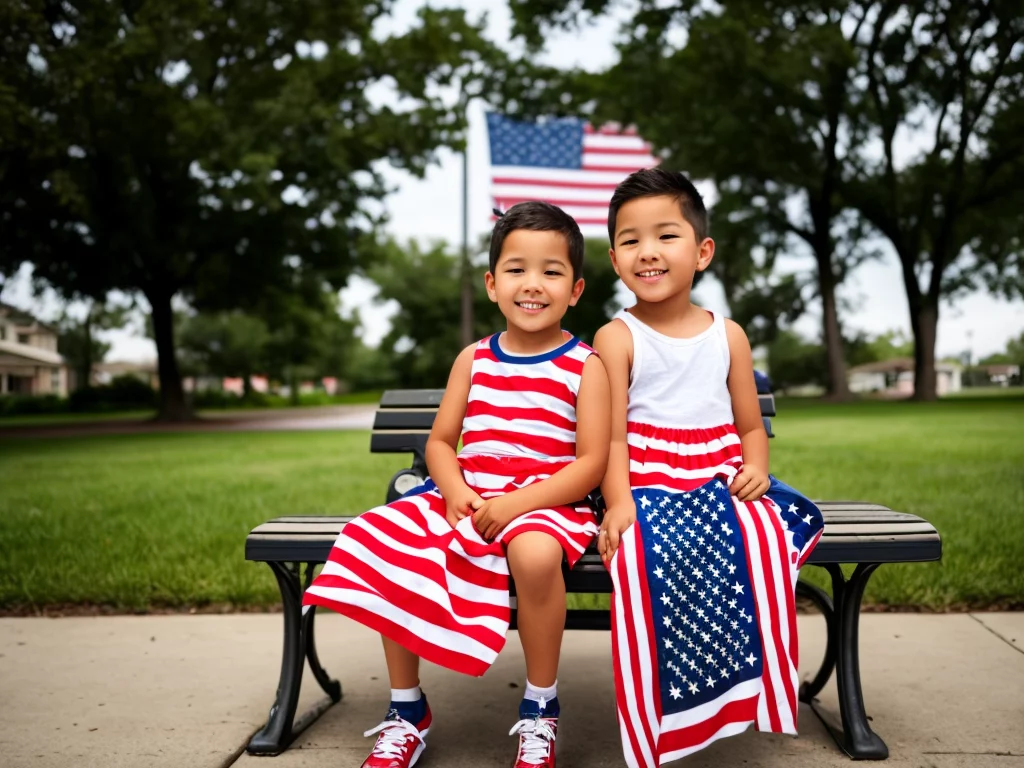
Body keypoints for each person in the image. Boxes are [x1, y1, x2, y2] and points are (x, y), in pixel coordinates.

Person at [303, 201, 610, 768]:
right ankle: (406, 709)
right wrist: (452, 490)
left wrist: (518, 503)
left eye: (551, 271)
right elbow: (441, 442)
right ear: (492, 285)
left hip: (549, 500)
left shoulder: (585, 365)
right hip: (466, 493)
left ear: (576, 289)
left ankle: (541, 707)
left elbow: (590, 464)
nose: (533, 284)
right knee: (379, 536)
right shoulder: (474, 359)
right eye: (517, 269)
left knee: (537, 556)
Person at [592, 168, 824, 766]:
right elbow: (611, 440)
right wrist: (617, 504)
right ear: (615, 257)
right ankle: (670, 709)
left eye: (666, 236)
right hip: (645, 479)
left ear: (702, 251)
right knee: (648, 551)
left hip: (717, 475)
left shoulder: (729, 335)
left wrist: (759, 469)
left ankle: (746, 689)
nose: (648, 251)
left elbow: (750, 426)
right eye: (630, 239)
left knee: (762, 536)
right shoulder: (617, 337)